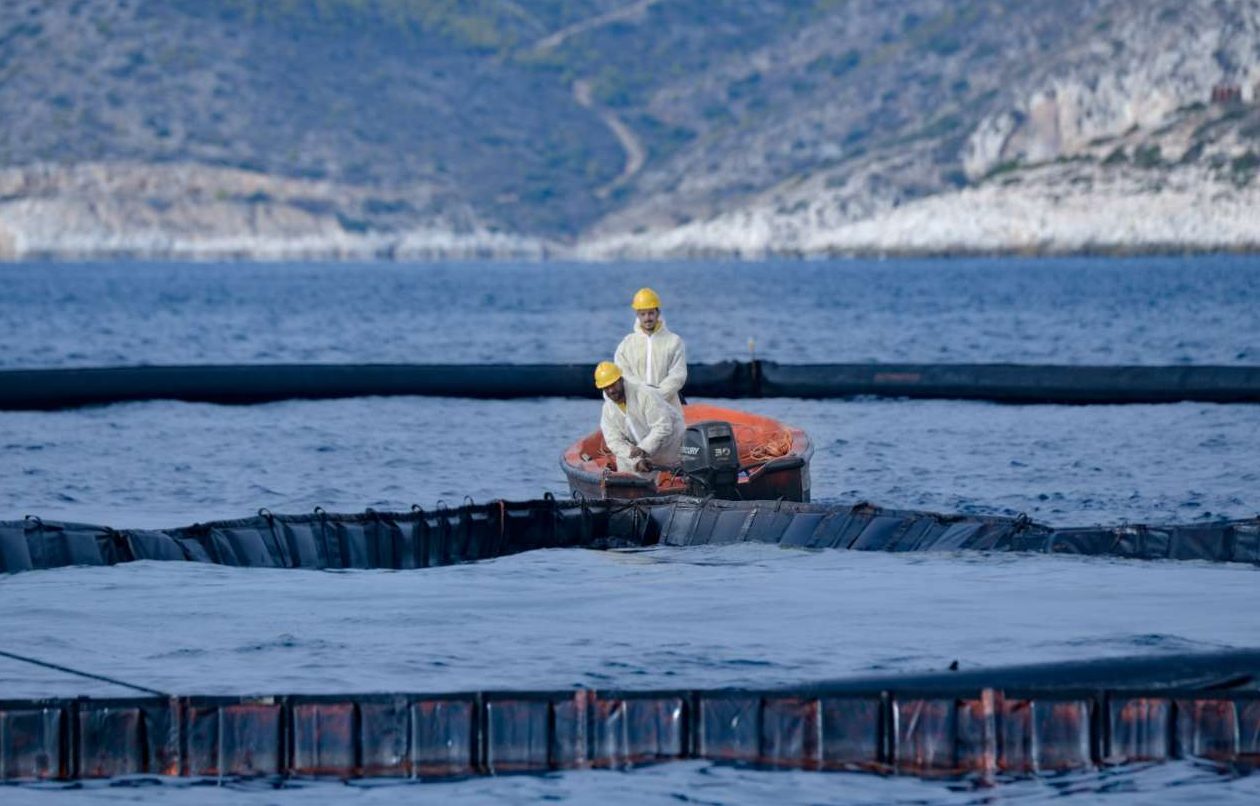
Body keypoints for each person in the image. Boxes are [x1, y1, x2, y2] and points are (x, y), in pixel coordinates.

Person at [594, 361, 684, 477]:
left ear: (620, 379)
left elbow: (663, 427)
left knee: (672, 476)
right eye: (606, 388)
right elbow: (614, 441)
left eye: (613, 385)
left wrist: (643, 448)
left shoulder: (645, 395)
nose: (611, 390)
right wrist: (636, 461)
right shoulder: (608, 410)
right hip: (642, 454)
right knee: (624, 464)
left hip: (670, 447)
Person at [614, 287, 687, 410]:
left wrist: (659, 395)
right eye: (643, 314)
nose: (647, 318)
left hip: (668, 408)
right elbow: (623, 373)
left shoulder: (674, 341)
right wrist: (644, 394)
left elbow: (678, 374)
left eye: (651, 313)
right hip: (638, 408)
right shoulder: (627, 344)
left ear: (658, 313)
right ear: (637, 315)